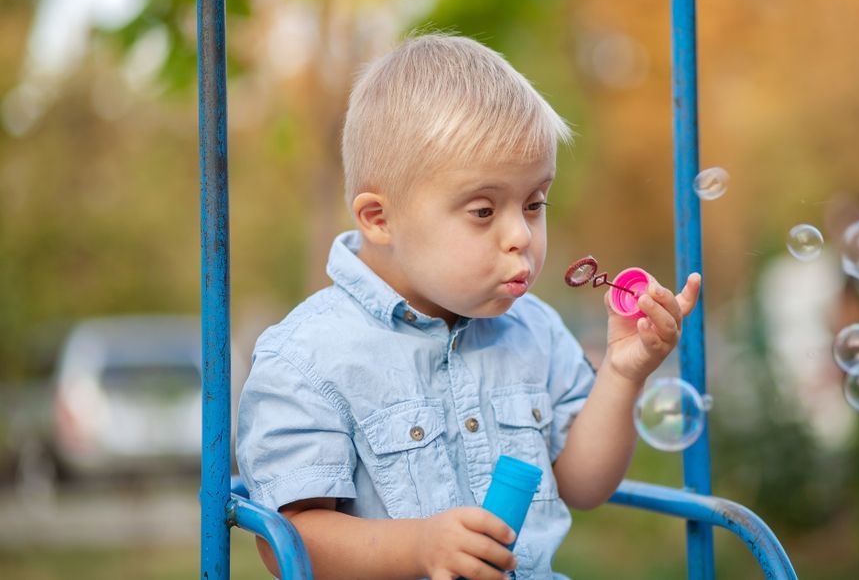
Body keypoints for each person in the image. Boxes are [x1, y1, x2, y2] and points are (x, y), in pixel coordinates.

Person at [236, 33, 701, 580]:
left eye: (534, 204)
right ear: (380, 219)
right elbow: (287, 541)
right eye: (483, 210)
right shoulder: (309, 358)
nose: (521, 236)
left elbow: (584, 486)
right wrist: (417, 547)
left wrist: (625, 374)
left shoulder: (537, 332)